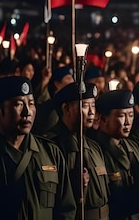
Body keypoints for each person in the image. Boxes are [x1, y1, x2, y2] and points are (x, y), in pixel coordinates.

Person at [0, 75, 76, 219]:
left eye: (31, 103)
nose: (27, 112)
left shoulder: (51, 152)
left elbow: (66, 210)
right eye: (18, 104)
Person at [45, 82, 111, 220]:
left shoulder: (93, 146)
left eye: (93, 105)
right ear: (66, 108)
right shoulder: (53, 145)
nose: (92, 112)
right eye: (85, 106)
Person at [90, 89, 139, 220]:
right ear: (104, 119)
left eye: (131, 115)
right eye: (121, 116)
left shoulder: (132, 146)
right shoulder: (96, 151)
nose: (128, 122)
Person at [33, 65, 75, 135]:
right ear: (57, 84)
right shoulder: (53, 106)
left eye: (72, 78)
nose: (72, 81)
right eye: (68, 78)